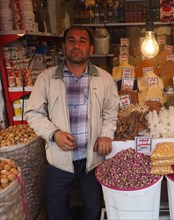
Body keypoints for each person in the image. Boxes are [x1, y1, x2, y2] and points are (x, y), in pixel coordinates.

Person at [24, 26, 119, 220]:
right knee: (57, 213)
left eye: (83, 41)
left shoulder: (104, 78)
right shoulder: (47, 78)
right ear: (63, 46)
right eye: (71, 40)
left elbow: (111, 112)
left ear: (91, 48)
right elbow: (33, 113)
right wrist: (54, 133)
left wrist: (106, 134)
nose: (77, 45)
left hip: (92, 160)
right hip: (59, 161)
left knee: (93, 209)